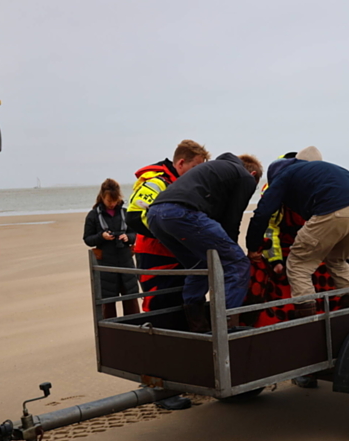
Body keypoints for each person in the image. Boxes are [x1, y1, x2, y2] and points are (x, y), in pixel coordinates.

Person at [146, 153, 263, 332]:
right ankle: (226, 329)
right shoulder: (245, 177)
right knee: (238, 264)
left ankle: (197, 325)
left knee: (199, 263)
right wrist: (231, 254)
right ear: (253, 175)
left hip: (155, 215)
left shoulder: (216, 171)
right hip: (181, 212)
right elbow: (232, 221)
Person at [246, 158, 349, 318]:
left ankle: (308, 321)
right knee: (337, 260)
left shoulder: (283, 176)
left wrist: (252, 246)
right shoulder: (316, 170)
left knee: (298, 264)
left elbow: (262, 214)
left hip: (337, 209)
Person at [126, 140, 210, 312]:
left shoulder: (185, 185)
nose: (198, 173)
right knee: (159, 305)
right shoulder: (157, 182)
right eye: (195, 167)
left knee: (185, 301)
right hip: (154, 254)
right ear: (180, 163)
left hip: (179, 253)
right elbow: (133, 216)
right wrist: (172, 236)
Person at [83, 179, 140, 319]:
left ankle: (135, 328)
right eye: (109, 201)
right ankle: (110, 331)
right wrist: (101, 236)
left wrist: (128, 238)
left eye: (114, 200)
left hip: (126, 261)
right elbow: (87, 239)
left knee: (131, 299)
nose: (112, 204)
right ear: (102, 197)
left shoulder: (126, 213)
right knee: (108, 302)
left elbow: (136, 234)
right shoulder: (93, 215)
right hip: (106, 264)